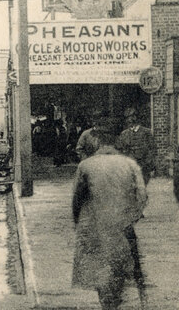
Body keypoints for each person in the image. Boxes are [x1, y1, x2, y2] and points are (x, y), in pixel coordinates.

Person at [71, 129, 148, 310]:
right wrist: (131, 217)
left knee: (100, 269)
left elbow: (77, 199)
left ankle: (107, 303)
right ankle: (123, 298)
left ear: (97, 143)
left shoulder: (85, 166)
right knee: (123, 264)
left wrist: (78, 221)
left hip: (95, 227)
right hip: (122, 226)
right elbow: (142, 196)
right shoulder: (130, 163)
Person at [116, 108, 154, 184]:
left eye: (133, 116)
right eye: (128, 118)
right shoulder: (124, 134)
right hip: (129, 165)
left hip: (143, 165)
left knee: (142, 186)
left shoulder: (146, 132)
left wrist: (148, 163)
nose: (130, 120)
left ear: (137, 118)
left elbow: (152, 149)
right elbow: (120, 149)